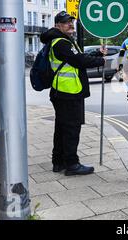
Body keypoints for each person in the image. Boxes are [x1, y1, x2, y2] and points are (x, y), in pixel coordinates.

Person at [40, 11, 106, 176]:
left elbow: (77, 57)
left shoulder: (61, 41)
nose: (70, 24)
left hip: (63, 92)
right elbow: (79, 61)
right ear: (57, 25)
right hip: (68, 92)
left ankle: (59, 162)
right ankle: (72, 164)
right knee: (71, 129)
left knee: (61, 128)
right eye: (65, 22)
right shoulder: (61, 42)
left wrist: (97, 53)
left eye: (71, 21)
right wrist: (101, 61)